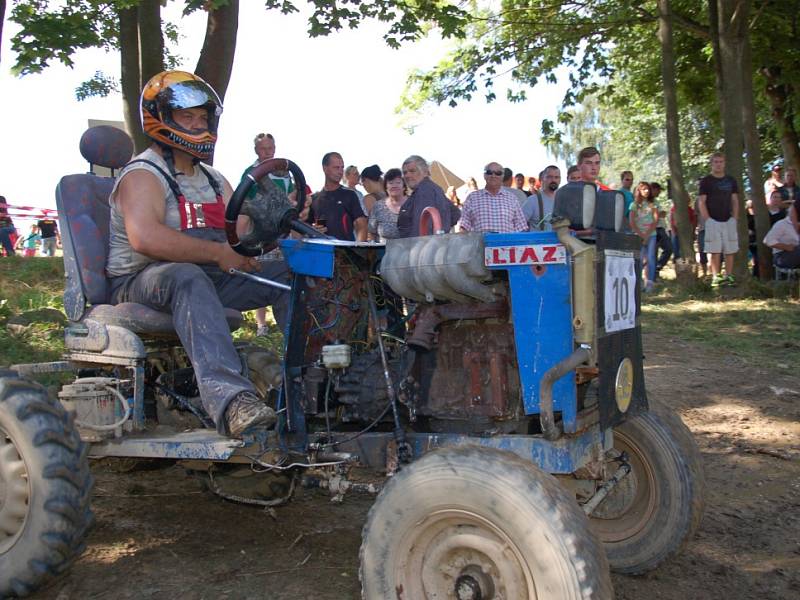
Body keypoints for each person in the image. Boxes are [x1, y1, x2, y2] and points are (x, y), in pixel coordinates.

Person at [106, 70, 289, 438]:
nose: (198, 125)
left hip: (204, 277)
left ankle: (309, 381)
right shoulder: (142, 174)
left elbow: (235, 233)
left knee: (288, 274)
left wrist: (267, 229)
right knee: (185, 275)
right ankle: (232, 400)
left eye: (202, 117)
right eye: (187, 117)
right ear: (161, 118)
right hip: (141, 280)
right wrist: (219, 253)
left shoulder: (212, 179)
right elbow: (145, 238)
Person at [698, 152, 739, 287]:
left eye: (721, 161)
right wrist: (707, 219)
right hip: (712, 220)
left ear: (724, 163)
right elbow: (701, 202)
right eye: (716, 162)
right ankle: (716, 276)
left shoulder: (731, 180)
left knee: (730, 249)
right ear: (711, 163)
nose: (718, 164)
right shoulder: (706, 181)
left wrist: (735, 218)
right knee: (715, 250)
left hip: (728, 219)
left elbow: (735, 200)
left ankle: (729, 275)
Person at [308, 152, 367, 241]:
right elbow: (303, 228)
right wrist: (312, 230)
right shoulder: (314, 198)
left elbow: (362, 226)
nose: (340, 172)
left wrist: (359, 249)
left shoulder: (350, 195)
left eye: (342, 168)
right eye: (336, 168)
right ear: (325, 168)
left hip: (346, 251)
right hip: (322, 251)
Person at [397, 155, 460, 237]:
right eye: (405, 172)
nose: (407, 175)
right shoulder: (432, 189)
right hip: (434, 244)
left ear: (425, 172)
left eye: (412, 171)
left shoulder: (425, 191)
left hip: (423, 246)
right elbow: (455, 213)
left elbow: (422, 228)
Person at [458, 162, 528, 233]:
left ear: (502, 177)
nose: (493, 175)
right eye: (489, 172)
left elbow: (521, 227)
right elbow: (464, 225)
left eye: (498, 173)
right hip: (480, 243)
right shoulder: (472, 198)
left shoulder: (512, 199)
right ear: (484, 175)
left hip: (507, 243)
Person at [629, 182, 658, 292]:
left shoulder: (653, 204)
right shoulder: (634, 205)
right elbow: (632, 222)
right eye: (644, 189)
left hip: (651, 235)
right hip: (638, 236)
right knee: (639, 259)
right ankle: (638, 282)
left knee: (650, 258)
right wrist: (641, 235)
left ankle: (649, 282)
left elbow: (655, 220)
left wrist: (647, 234)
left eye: (648, 189)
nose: (646, 191)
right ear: (639, 191)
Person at [368, 168, 406, 242]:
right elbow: (371, 232)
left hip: (409, 251)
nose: (394, 186)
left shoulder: (413, 204)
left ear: (404, 186)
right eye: (390, 183)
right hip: (383, 251)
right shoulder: (378, 206)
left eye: (398, 182)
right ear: (386, 187)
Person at [523, 165, 560, 231]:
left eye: (556, 177)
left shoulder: (564, 201)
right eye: (549, 177)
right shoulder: (532, 200)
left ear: (560, 179)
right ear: (543, 179)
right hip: (538, 241)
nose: (553, 180)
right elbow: (520, 225)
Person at [651, 182, 673, 278]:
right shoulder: (647, 201)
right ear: (653, 189)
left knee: (669, 248)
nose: (659, 192)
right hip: (653, 229)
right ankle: (653, 275)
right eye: (658, 190)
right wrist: (659, 215)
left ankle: (658, 267)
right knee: (653, 252)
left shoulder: (656, 201)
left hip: (661, 228)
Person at [669, 198, 697, 263]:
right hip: (676, 232)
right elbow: (672, 220)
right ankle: (677, 262)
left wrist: (692, 231)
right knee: (676, 249)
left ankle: (688, 264)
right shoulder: (674, 209)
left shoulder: (690, 210)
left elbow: (694, 221)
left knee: (687, 249)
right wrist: (674, 230)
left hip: (687, 233)